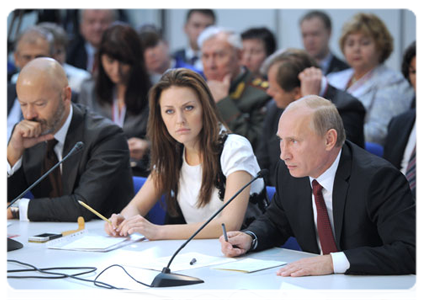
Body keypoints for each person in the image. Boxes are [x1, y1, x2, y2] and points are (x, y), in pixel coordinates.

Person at [220, 95, 419, 276]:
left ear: (329, 140)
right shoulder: (290, 171)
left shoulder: (378, 179)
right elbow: (277, 220)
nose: (283, 154)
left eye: (294, 141)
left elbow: (410, 251)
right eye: (282, 140)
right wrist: (250, 238)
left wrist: (333, 262)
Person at [104, 68, 266, 240]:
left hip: (247, 258)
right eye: (169, 111)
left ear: (205, 108)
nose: (179, 119)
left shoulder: (235, 147)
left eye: (188, 108)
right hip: (198, 255)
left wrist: (158, 231)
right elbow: (135, 208)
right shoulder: (172, 152)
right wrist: (122, 220)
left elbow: (229, 224)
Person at [5, 57, 134, 222]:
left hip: (106, 238)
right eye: (23, 104)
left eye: (40, 104)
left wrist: (17, 209)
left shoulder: (106, 136)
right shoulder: (26, 133)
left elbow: (83, 207)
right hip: (49, 238)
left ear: (66, 95)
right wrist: (12, 154)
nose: (29, 115)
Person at [257, 49, 365, 186]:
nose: (269, 92)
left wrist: (310, 105)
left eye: (276, 90)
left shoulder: (347, 108)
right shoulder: (276, 107)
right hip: (279, 194)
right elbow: (263, 162)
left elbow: (331, 163)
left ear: (297, 93)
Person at [327, 13, 414, 146]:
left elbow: (379, 133)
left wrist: (326, 133)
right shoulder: (333, 78)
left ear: (380, 47)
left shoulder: (394, 81)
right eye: (350, 43)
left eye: (364, 43)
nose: (356, 49)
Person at [78, 22, 152, 177]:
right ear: (100, 59)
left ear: (135, 60)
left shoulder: (154, 90)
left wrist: (148, 147)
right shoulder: (88, 89)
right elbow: (80, 137)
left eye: (124, 62)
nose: (116, 70)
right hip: (97, 171)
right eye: (110, 61)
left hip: (140, 171)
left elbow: (169, 139)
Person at [199, 26, 271, 152]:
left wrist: (223, 102)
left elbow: (255, 145)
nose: (211, 65)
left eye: (219, 55)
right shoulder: (196, 92)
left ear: (239, 56)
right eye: (205, 56)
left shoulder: (262, 94)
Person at [384, 40, 420, 211]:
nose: (420, 79)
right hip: (391, 208)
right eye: (415, 72)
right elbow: (385, 175)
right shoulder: (398, 123)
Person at [6, 26, 55, 145]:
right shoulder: (5, 92)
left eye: (39, 57)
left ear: (52, 58)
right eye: (27, 57)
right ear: (16, 58)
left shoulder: (65, 98)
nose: (33, 63)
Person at [138, 24, 203, 84]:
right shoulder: (137, 83)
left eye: (153, 45)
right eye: (144, 49)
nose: (150, 53)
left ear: (166, 44)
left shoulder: (192, 75)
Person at [38, 22, 91, 94]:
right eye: (49, 53)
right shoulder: (19, 80)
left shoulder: (82, 79)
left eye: (59, 52)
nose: (54, 58)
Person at [66, 8, 117, 73]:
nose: (97, 27)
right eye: (91, 22)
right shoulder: (70, 53)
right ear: (81, 26)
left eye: (103, 21)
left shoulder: (123, 54)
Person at [300, 10, 349, 75]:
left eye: (315, 34)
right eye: (305, 35)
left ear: (329, 33)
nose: (310, 41)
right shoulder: (297, 70)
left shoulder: (346, 70)